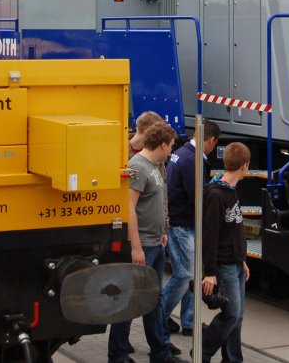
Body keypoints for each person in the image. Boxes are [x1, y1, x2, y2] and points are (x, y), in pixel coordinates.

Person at [107, 122, 184, 363]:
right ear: (162, 145)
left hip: (155, 243)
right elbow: (128, 208)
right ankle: (117, 355)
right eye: (170, 147)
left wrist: (163, 230)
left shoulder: (156, 166)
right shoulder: (137, 168)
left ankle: (160, 351)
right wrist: (136, 247)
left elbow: (158, 202)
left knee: (155, 299)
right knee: (129, 300)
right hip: (143, 247)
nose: (171, 152)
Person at [161, 119, 221, 337]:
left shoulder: (182, 153)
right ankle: (159, 316)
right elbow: (197, 197)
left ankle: (189, 321)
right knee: (185, 274)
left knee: (192, 273)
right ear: (212, 141)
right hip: (182, 225)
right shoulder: (192, 161)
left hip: (180, 222)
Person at [201, 142, 251, 363]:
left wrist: (243, 260)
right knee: (231, 314)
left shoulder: (231, 191)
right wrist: (210, 271)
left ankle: (232, 358)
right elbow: (211, 236)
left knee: (237, 315)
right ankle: (202, 351)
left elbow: (235, 228)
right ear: (245, 166)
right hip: (225, 264)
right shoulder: (216, 195)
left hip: (236, 262)